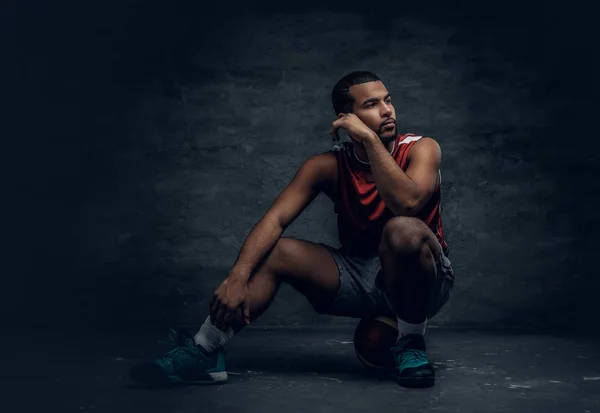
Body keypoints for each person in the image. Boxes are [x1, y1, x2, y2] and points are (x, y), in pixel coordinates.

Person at [129, 71, 454, 389]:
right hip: (360, 276)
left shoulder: (421, 148)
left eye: (388, 100)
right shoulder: (328, 166)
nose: (387, 110)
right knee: (278, 251)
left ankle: (411, 341)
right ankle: (204, 349)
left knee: (403, 231)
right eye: (371, 105)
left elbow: (407, 203)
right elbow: (275, 220)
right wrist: (237, 278)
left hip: (423, 278)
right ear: (347, 118)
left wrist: (369, 140)